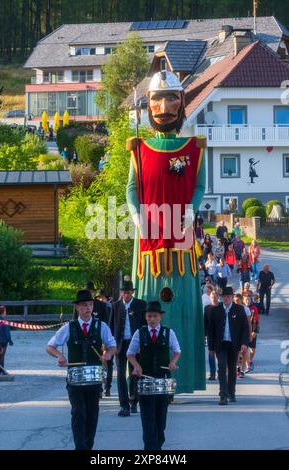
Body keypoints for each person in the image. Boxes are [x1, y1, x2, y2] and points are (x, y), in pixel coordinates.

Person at [126, 70, 206, 393]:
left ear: (182, 102)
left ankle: (181, 377)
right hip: (149, 240)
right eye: (158, 99)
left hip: (182, 239)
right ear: (148, 105)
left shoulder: (194, 147)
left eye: (171, 98)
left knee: (182, 306)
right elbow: (132, 189)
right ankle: (145, 379)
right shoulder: (139, 148)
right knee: (150, 302)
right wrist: (135, 214)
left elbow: (199, 187)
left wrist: (192, 209)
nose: (165, 106)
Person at [46, 290, 116, 450]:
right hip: (75, 380)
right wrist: (59, 356)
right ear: (77, 307)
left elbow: (113, 346)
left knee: (92, 414)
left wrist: (108, 354)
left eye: (90, 305)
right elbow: (49, 346)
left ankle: (88, 446)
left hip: (94, 380)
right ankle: (80, 448)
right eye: (84, 305)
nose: (88, 308)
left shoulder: (101, 326)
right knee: (78, 413)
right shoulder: (68, 327)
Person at [127, 301, 181, 451]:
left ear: (160, 317)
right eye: (149, 316)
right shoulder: (140, 333)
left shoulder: (168, 333)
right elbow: (130, 354)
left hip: (163, 381)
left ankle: (155, 446)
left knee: (160, 422)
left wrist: (172, 362)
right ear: (145, 317)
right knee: (147, 419)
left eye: (155, 316)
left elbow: (177, 351)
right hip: (145, 381)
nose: (152, 319)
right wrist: (137, 366)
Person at [109, 281, 146, 416]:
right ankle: (123, 404)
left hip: (135, 343)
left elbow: (144, 325)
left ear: (132, 293)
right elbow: (111, 326)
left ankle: (134, 401)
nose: (126, 294)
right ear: (121, 293)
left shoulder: (141, 305)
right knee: (120, 374)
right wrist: (109, 344)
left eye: (128, 292)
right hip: (120, 344)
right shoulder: (115, 306)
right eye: (124, 292)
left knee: (134, 372)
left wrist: (143, 343)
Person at [208, 286, 250, 405]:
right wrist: (211, 348)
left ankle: (231, 392)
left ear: (232, 297)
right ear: (221, 297)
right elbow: (211, 331)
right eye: (224, 297)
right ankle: (223, 395)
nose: (225, 298)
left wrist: (244, 343)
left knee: (232, 368)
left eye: (228, 296)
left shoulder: (239, 309)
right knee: (221, 366)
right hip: (220, 344)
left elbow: (245, 329)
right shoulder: (216, 310)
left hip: (234, 344)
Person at [234, 293, 252, 378]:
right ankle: (238, 367)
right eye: (235, 300)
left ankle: (242, 370)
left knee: (244, 351)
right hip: (235, 333)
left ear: (241, 300)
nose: (236, 302)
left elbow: (249, 323)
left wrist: (250, 334)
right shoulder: (232, 308)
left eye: (237, 300)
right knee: (237, 351)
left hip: (244, 333)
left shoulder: (246, 309)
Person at [0, 306, 13, 376]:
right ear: (3, 312)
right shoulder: (4, 321)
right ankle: (1, 371)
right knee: (1, 357)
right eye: (5, 311)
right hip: (3, 341)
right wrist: (10, 341)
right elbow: (7, 333)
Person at [204, 291, 219, 380]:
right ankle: (212, 373)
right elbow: (204, 321)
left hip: (220, 334)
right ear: (210, 298)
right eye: (212, 297)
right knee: (211, 353)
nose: (214, 298)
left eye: (215, 296)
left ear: (218, 297)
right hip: (210, 334)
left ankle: (220, 372)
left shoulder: (221, 307)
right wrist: (204, 335)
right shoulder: (207, 308)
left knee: (219, 354)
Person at [247, 299, 260, 372]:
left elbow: (256, 320)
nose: (247, 301)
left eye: (248, 300)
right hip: (244, 331)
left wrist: (255, 331)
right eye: (246, 300)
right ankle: (246, 363)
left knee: (252, 348)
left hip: (252, 330)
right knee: (244, 348)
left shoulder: (254, 308)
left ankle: (250, 360)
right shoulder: (241, 308)